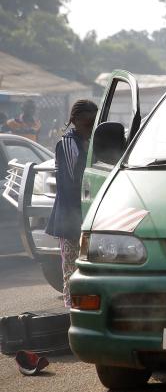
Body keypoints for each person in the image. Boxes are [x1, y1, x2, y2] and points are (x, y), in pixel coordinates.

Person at [45, 100, 98, 307]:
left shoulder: (93, 141)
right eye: (88, 123)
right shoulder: (67, 144)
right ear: (75, 121)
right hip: (71, 218)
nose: (91, 128)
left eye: (94, 123)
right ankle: (72, 313)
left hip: (90, 216)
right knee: (71, 271)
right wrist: (78, 221)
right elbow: (69, 185)